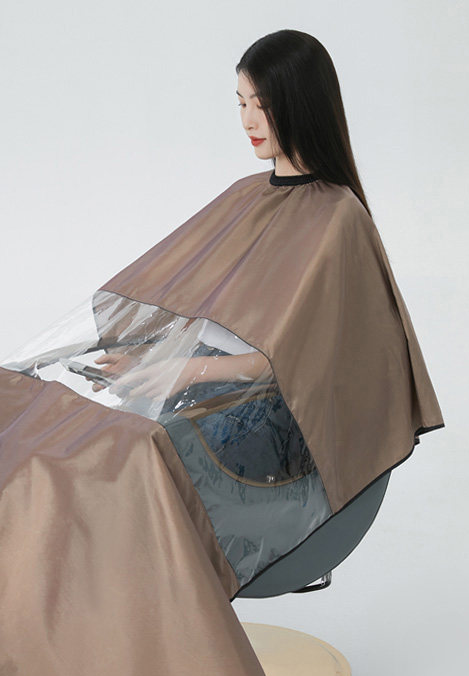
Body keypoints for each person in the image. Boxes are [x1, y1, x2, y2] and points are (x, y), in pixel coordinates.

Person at [81, 30, 371, 483]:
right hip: (214, 385)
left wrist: (186, 371)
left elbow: (305, 355)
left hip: (275, 414)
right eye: (241, 104)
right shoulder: (245, 197)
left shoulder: (338, 216)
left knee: (126, 463)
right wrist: (153, 363)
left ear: (303, 105)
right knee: (76, 442)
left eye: (263, 105)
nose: (248, 121)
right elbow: (220, 322)